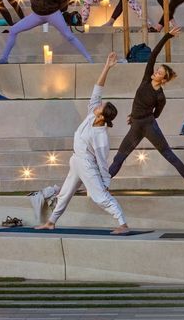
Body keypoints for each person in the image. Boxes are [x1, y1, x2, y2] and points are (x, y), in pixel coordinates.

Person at [37, 52, 129, 234]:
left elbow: (103, 161)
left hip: (87, 165)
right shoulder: (90, 115)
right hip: (76, 161)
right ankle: (51, 222)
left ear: (102, 116)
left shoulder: (101, 136)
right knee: (64, 193)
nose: (97, 105)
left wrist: (105, 181)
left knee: (99, 197)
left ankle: (123, 224)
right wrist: (107, 67)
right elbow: (97, 89)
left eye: (100, 107)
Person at [107, 29, 184, 190]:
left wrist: (142, 116)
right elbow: (153, 54)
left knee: (168, 154)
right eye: (157, 70)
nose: (155, 72)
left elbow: (157, 113)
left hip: (149, 126)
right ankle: (102, 185)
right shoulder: (146, 79)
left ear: (163, 79)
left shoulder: (160, 96)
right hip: (136, 126)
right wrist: (167, 36)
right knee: (119, 157)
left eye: (159, 73)